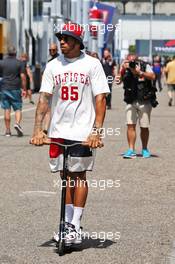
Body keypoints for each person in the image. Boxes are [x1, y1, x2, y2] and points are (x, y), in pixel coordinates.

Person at [30, 22, 109, 245]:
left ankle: (75, 225)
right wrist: (38, 130)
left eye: (66, 38)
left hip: (83, 131)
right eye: (60, 38)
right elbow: (44, 98)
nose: (61, 42)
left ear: (77, 42)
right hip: (58, 130)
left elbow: (100, 98)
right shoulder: (54, 66)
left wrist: (96, 132)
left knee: (79, 175)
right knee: (65, 177)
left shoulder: (92, 64)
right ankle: (66, 224)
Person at [116, 54, 156, 158]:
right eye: (129, 61)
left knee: (144, 127)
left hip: (144, 101)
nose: (131, 63)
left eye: (133, 61)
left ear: (137, 60)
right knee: (130, 125)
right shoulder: (125, 68)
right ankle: (131, 149)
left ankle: (144, 149)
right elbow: (117, 81)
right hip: (131, 101)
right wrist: (121, 70)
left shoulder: (144, 66)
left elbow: (153, 76)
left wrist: (140, 72)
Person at [0, 46, 26, 136]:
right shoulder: (20, 63)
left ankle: (7, 131)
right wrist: (24, 89)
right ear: (15, 52)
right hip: (15, 88)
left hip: (4, 88)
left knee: (7, 109)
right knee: (18, 108)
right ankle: (17, 123)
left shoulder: (2, 63)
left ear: (8, 52)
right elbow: (22, 76)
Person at [42, 43, 59, 135]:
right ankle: (46, 128)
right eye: (50, 50)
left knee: (57, 108)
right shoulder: (49, 61)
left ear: (57, 50)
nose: (51, 52)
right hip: (50, 88)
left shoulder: (60, 60)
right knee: (48, 109)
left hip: (58, 89)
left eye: (53, 50)